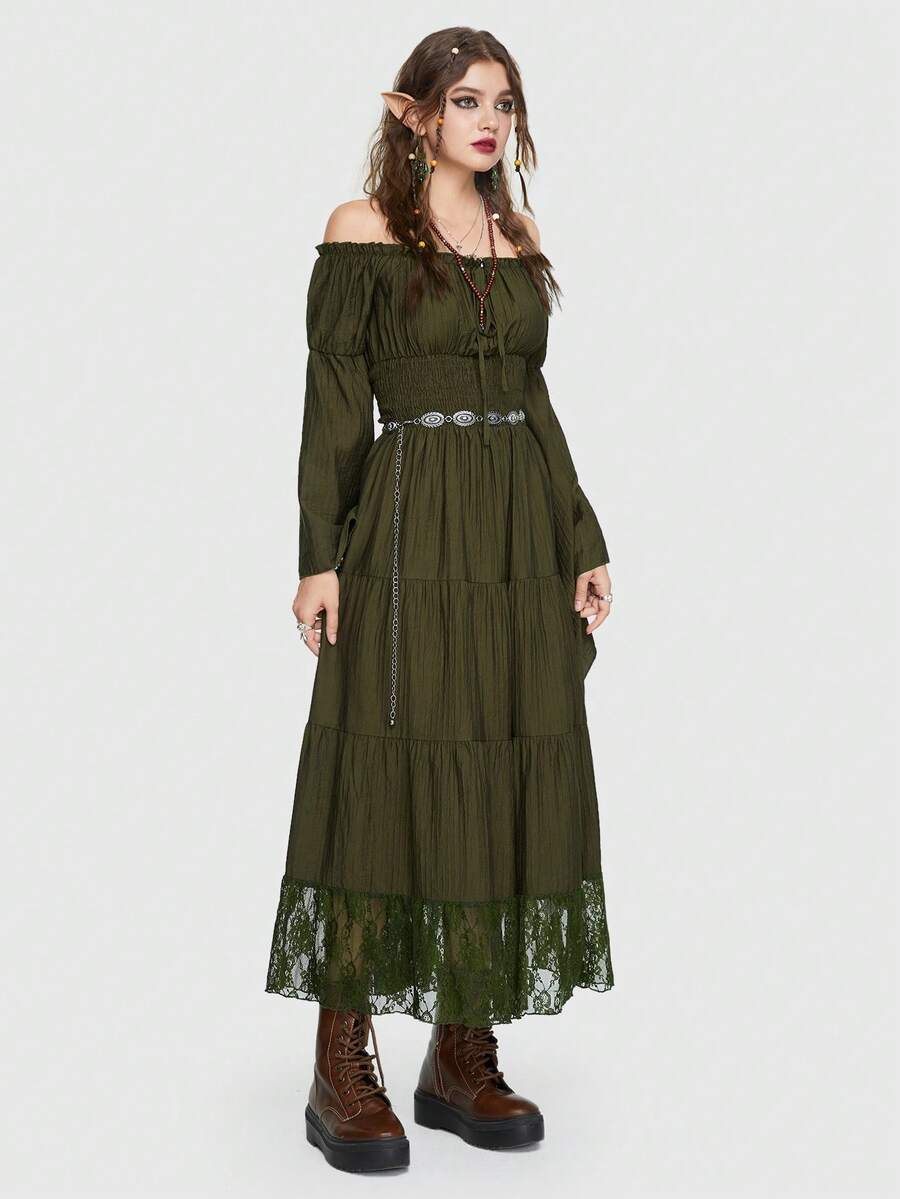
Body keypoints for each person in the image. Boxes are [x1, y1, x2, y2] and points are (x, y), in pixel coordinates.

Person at [265, 27, 615, 1173]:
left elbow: (534, 400)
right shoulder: (361, 230)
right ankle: (341, 1059)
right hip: (409, 524)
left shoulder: (519, 237)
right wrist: (320, 556)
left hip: (516, 530)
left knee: (500, 760)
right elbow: (333, 401)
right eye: (466, 100)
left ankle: (461, 1050)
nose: (490, 122)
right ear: (413, 114)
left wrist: (581, 536)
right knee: (384, 766)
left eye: (504, 103)